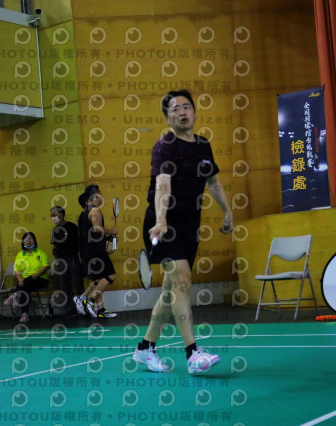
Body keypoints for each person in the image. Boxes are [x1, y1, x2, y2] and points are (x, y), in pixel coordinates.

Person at [134, 89, 234, 375]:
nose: (182, 112)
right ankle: (192, 353)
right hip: (164, 222)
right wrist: (161, 219)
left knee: (170, 292)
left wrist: (227, 211)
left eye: (186, 107)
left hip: (190, 224)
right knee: (182, 280)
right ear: (167, 118)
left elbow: (213, 182)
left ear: (194, 112)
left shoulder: (203, 145)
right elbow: (163, 184)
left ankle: (145, 348)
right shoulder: (165, 146)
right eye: (174, 109)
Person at [74, 187, 118, 318]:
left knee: (98, 280)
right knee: (111, 275)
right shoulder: (95, 210)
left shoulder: (86, 212)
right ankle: (90, 299)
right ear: (95, 196)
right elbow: (97, 228)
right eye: (100, 193)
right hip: (96, 251)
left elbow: (92, 233)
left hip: (90, 251)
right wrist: (111, 231)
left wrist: (107, 237)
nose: (102, 196)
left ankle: (101, 310)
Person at [4, 231, 51, 322]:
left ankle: (14, 295)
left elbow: (46, 266)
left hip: (41, 279)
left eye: (31, 238)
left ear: (34, 241)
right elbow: (17, 271)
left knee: (27, 282)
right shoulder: (20, 255)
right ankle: (25, 315)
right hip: (26, 282)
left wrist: (36, 274)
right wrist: (20, 279)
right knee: (25, 287)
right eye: (26, 239)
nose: (29, 240)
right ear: (23, 242)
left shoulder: (40, 253)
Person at [49, 206, 83, 316]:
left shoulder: (72, 227)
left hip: (72, 258)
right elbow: (55, 247)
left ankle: (84, 307)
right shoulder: (55, 230)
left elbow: (80, 243)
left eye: (55, 215)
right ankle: (70, 310)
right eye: (51, 216)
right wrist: (57, 262)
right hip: (61, 260)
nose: (53, 217)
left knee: (77, 282)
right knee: (64, 285)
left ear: (62, 214)